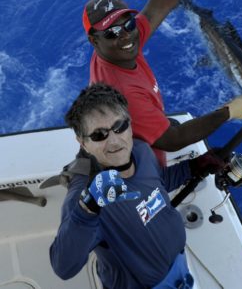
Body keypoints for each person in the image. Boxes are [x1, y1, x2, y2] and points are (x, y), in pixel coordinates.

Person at [82, 0, 242, 166]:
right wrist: (229, 111)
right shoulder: (121, 91)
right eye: (111, 32)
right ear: (94, 40)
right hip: (140, 171)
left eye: (128, 24)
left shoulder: (116, 49)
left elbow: (159, 5)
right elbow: (172, 139)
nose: (125, 35)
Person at [50, 83, 222, 288]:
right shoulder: (84, 196)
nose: (114, 141)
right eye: (99, 135)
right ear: (82, 142)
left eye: (119, 127)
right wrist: (87, 209)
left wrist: (194, 166)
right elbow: (63, 267)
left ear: (130, 124)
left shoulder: (140, 151)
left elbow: (158, 182)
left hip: (179, 269)